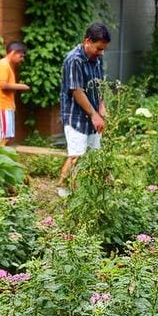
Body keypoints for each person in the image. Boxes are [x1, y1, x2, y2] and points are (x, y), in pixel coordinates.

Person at [57, 22, 111, 197]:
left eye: (103, 49)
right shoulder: (74, 60)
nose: (101, 53)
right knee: (77, 156)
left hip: (92, 116)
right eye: (98, 48)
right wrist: (95, 115)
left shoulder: (96, 58)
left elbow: (99, 84)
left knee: (92, 156)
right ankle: (68, 194)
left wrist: (101, 106)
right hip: (75, 116)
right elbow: (76, 91)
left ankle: (86, 191)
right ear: (87, 41)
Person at [0, 40, 29, 146]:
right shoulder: (3, 65)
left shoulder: (7, 65)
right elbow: (3, 85)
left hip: (6, 105)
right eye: (21, 56)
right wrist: (21, 86)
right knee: (3, 136)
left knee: (6, 136)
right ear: (13, 52)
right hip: (1, 105)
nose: (22, 59)